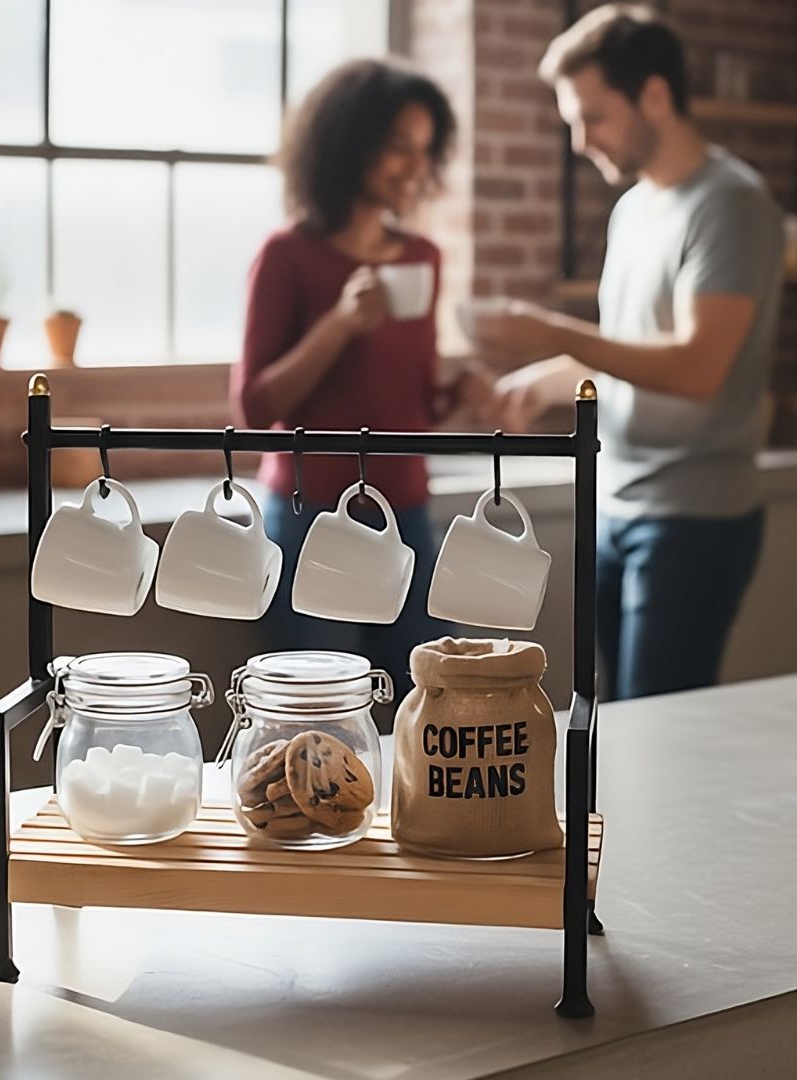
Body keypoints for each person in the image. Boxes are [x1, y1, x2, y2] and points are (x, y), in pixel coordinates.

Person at [471, 5, 784, 701]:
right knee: (614, 720)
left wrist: (553, 330)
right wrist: (542, 383)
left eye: (593, 116)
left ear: (655, 95)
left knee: (659, 728)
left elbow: (697, 369)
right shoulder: (633, 208)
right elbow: (628, 354)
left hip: (692, 518)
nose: (581, 141)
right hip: (615, 503)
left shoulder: (730, 205)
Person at [230, 58, 491, 707]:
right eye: (398, 145)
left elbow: (412, 408)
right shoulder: (287, 257)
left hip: (407, 514)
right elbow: (254, 406)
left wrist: (459, 395)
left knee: (428, 707)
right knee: (317, 710)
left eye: (424, 150)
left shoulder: (422, 258)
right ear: (350, 142)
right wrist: (341, 323)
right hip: (310, 516)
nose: (413, 165)